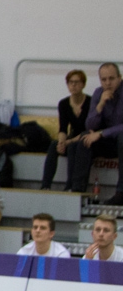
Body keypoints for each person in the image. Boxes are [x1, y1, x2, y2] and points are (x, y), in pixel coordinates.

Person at [67, 62, 123, 205]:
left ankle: (121, 192)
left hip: (119, 139)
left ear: (119, 78)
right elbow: (90, 125)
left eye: (111, 78)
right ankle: (77, 191)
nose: (108, 83)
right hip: (109, 141)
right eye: (104, 80)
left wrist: (102, 133)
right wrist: (100, 105)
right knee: (85, 138)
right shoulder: (98, 93)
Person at [41, 69, 92, 191]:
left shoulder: (90, 102)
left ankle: (70, 185)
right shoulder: (63, 103)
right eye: (70, 82)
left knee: (73, 147)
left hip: (86, 137)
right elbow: (63, 128)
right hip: (73, 136)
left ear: (83, 84)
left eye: (77, 82)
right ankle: (45, 185)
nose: (73, 85)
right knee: (54, 145)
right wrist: (61, 142)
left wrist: (68, 142)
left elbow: (91, 129)